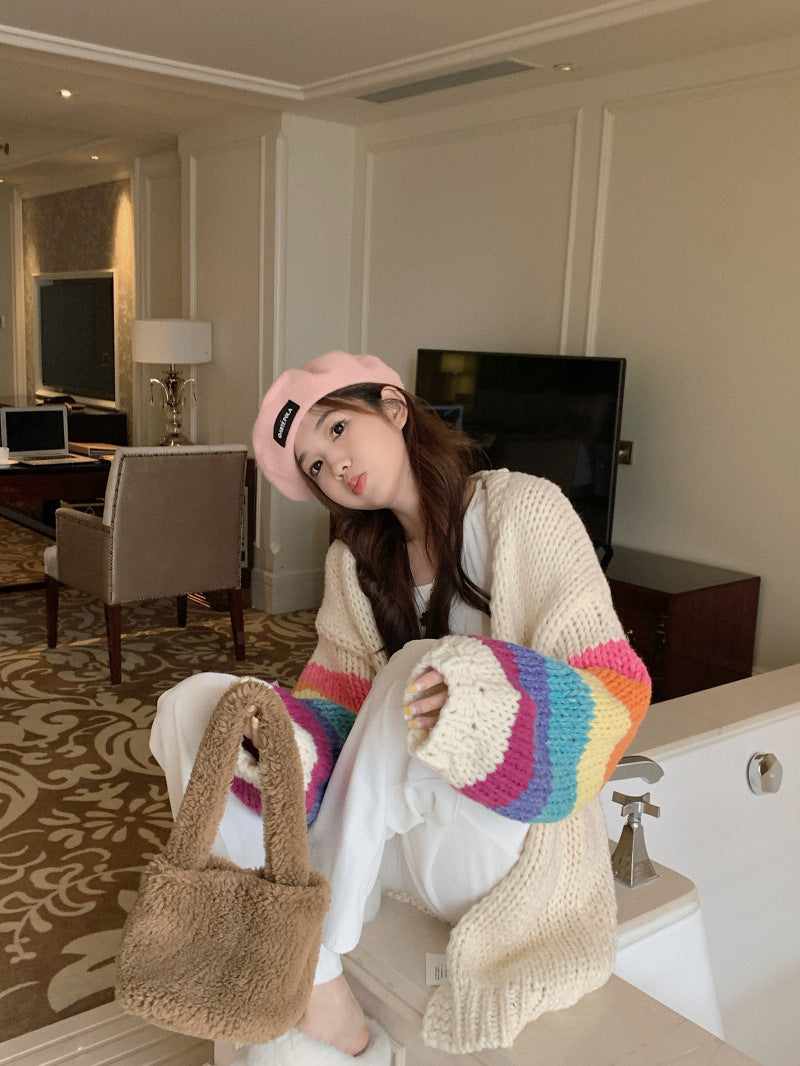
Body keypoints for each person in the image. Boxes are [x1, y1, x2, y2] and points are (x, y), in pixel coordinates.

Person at [151, 350, 651, 1060]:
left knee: (417, 665)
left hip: (502, 851)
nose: (334, 466)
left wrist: (481, 710)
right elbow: (337, 711)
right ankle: (317, 986)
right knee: (199, 705)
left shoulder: (523, 510)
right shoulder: (353, 565)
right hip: (389, 847)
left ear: (392, 406)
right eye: (314, 467)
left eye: (336, 429)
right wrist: (287, 747)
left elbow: (619, 697)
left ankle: (301, 953)